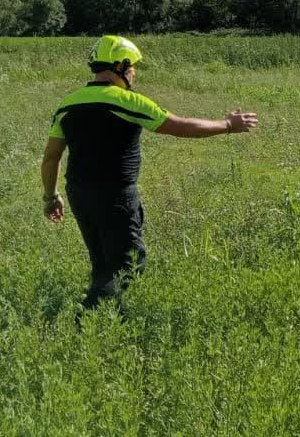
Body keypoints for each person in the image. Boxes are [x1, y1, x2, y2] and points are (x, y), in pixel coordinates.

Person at [40, 35, 258, 309]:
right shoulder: (127, 101)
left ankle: (107, 316)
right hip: (115, 196)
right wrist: (227, 124)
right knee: (129, 264)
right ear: (120, 66)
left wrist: (51, 196)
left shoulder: (67, 104)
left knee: (102, 261)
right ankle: (89, 322)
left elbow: (51, 158)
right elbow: (181, 126)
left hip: (79, 194)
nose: (134, 73)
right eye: (132, 67)